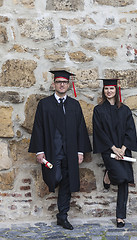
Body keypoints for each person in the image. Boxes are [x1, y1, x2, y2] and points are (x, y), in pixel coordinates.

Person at [28, 70, 92, 230]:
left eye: (64, 82)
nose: (62, 84)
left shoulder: (74, 105)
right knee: (55, 176)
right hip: (52, 152)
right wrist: (39, 151)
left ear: (68, 84)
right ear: (53, 84)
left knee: (67, 183)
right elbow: (38, 128)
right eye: (59, 82)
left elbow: (80, 128)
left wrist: (79, 151)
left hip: (69, 153)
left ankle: (62, 216)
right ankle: (54, 185)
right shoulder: (45, 104)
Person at [93, 79, 137, 228]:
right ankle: (109, 176)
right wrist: (114, 148)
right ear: (103, 91)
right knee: (120, 175)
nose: (109, 91)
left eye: (111, 89)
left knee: (125, 180)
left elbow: (130, 130)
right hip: (109, 150)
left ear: (116, 90)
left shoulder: (125, 110)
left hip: (124, 149)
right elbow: (99, 132)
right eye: (106, 89)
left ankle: (120, 216)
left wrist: (123, 148)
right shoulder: (98, 110)